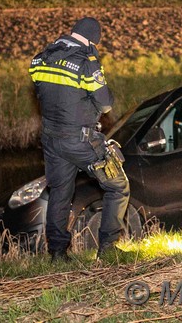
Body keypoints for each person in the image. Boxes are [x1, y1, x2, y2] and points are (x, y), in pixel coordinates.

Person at [28, 17, 130, 262]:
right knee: (118, 186)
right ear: (92, 38)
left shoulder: (42, 58)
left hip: (51, 139)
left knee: (60, 193)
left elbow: (43, 89)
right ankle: (107, 248)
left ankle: (57, 254)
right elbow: (105, 104)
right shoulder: (86, 62)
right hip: (80, 140)